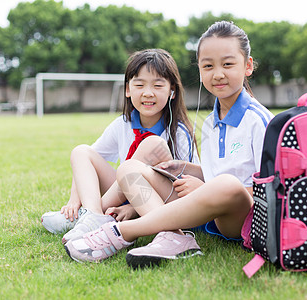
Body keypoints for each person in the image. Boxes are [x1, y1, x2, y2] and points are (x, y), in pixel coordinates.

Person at [64, 21, 274, 267]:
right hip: (208, 214)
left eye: (228, 64)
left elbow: (269, 191)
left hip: (242, 219)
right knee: (128, 169)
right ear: (199, 70)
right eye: (208, 66)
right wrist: (183, 169)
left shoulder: (259, 120)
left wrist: (203, 188)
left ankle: (124, 231)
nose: (218, 74)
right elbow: (217, 172)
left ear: (247, 66)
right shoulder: (210, 123)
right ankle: (173, 237)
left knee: (226, 185)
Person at [41, 49, 199, 244]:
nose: (148, 93)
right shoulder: (121, 124)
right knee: (81, 151)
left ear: (172, 91)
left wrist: (133, 210)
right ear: (127, 89)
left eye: (158, 85)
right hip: (122, 191)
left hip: (160, 201)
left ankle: (91, 218)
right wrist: (74, 200)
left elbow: (187, 188)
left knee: (151, 145)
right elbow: (87, 163)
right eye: (139, 85)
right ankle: (91, 214)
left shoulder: (179, 132)